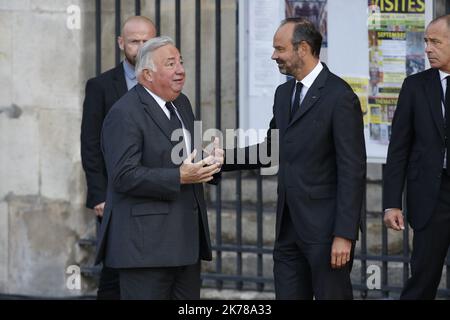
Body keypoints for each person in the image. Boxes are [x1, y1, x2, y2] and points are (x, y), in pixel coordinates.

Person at [222, 17, 366, 299]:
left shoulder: (340, 96)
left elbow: (352, 170)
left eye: (280, 48)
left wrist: (344, 234)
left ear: (302, 48)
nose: (274, 55)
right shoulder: (284, 92)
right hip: (288, 230)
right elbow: (271, 150)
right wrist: (219, 160)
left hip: (326, 233)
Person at [95, 36, 223, 300]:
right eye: (170, 64)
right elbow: (123, 175)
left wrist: (208, 162)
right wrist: (178, 176)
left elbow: (183, 159)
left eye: (181, 62)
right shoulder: (125, 113)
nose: (180, 70)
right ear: (147, 74)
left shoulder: (182, 104)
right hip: (145, 251)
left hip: (185, 245)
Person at [80, 16, 156, 299]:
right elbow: (90, 144)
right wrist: (99, 195)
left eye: (147, 41)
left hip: (153, 191)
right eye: (135, 41)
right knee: (114, 270)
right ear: (121, 43)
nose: (141, 47)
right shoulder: (100, 86)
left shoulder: (166, 82)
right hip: (114, 195)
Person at [383, 15, 450, 300]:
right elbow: (398, 149)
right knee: (422, 280)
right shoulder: (415, 86)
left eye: (435, 41)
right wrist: (391, 204)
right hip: (430, 200)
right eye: (426, 41)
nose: (428, 48)